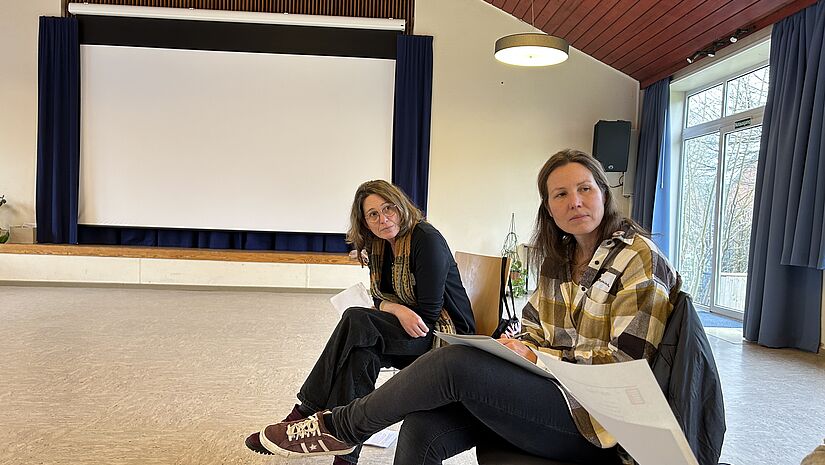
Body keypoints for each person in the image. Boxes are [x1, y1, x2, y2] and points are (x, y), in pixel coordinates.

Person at [252, 149, 681, 464]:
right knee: (420, 423)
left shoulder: (636, 256)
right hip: (553, 389)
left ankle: (340, 426)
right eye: (560, 195)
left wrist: (538, 354)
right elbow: (534, 325)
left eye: (584, 189)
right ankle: (330, 427)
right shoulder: (559, 259)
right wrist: (520, 345)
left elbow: (625, 363)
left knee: (453, 361)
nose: (574, 202)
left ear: (604, 193)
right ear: (547, 208)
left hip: (600, 416)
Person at [245, 180, 475, 465]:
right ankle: (345, 457)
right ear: (364, 221)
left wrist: (392, 310)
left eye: (388, 208)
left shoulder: (425, 239)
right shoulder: (379, 246)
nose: (383, 218)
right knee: (361, 352)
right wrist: (393, 307)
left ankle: (305, 411)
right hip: (411, 327)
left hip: (442, 335)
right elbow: (378, 297)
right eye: (373, 214)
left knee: (356, 318)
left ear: (400, 206)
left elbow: (426, 316)